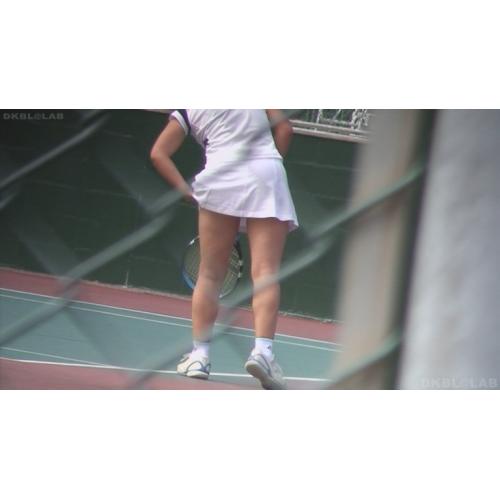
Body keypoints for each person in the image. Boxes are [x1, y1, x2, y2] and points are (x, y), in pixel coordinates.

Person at [150, 109, 298, 389]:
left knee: (209, 274)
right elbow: (285, 130)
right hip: (266, 172)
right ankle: (263, 353)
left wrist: (186, 192)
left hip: (220, 175)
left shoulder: (188, 108)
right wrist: (265, 169)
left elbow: (159, 153)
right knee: (266, 272)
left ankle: (200, 356)